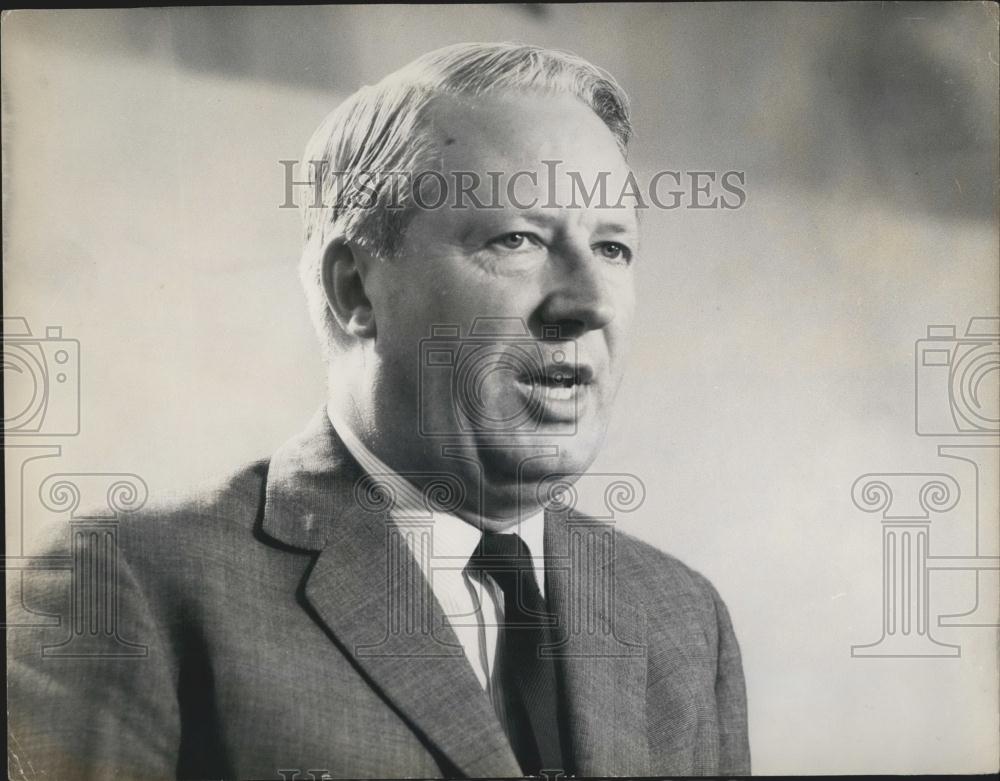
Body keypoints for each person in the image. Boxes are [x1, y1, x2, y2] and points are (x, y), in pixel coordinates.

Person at [7, 42, 750, 779]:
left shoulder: (684, 621)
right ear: (355, 291)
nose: (587, 303)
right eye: (517, 239)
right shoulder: (132, 588)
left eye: (614, 248)